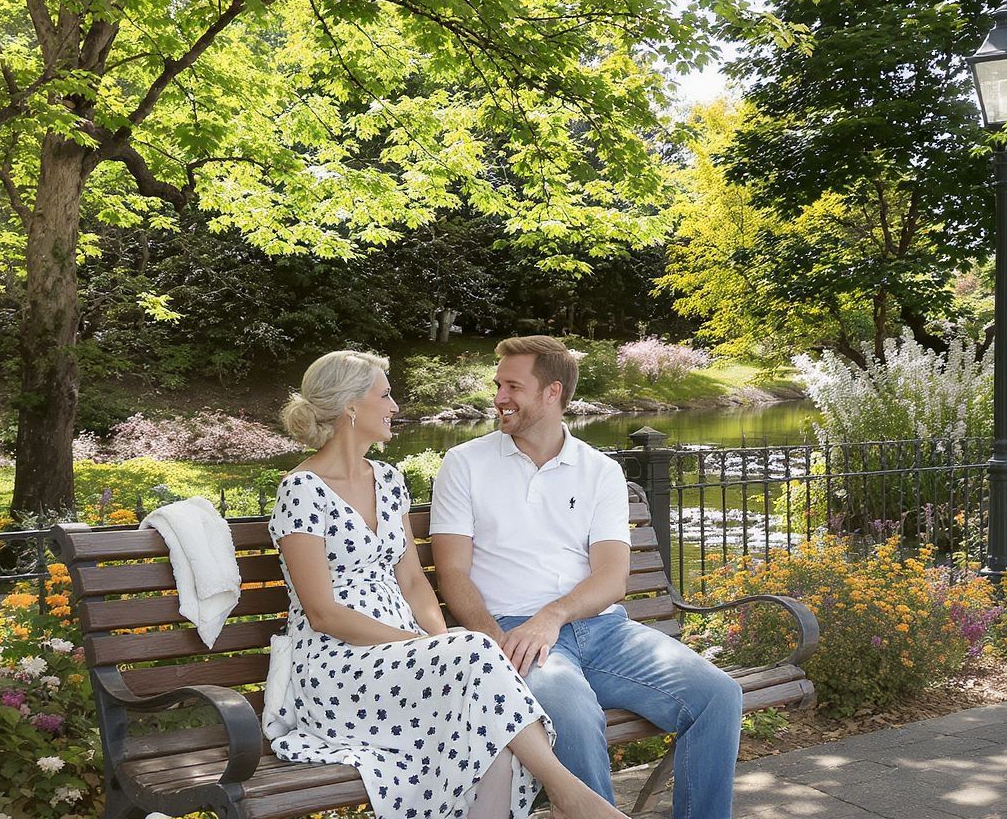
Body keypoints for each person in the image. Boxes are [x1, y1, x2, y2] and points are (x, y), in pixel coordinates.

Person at [267, 349, 630, 819]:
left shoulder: (387, 480)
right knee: (477, 657)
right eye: (385, 395)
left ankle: (566, 798)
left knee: (490, 730)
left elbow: (413, 581)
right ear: (351, 406)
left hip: (402, 656)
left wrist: (438, 645)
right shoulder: (301, 490)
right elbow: (322, 613)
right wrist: (424, 647)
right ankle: (569, 795)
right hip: (339, 666)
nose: (395, 406)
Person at [429, 336, 743, 819]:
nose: (499, 397)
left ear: (552, 392)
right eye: (498, 385)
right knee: (573, 714)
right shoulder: (465, 464)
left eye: (513, 386)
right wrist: (494, 644)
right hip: (515, 636)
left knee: (718, 696)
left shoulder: (599, 471)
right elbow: (452, 572)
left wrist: (553, 616)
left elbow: (612, 578)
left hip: (603, 630)